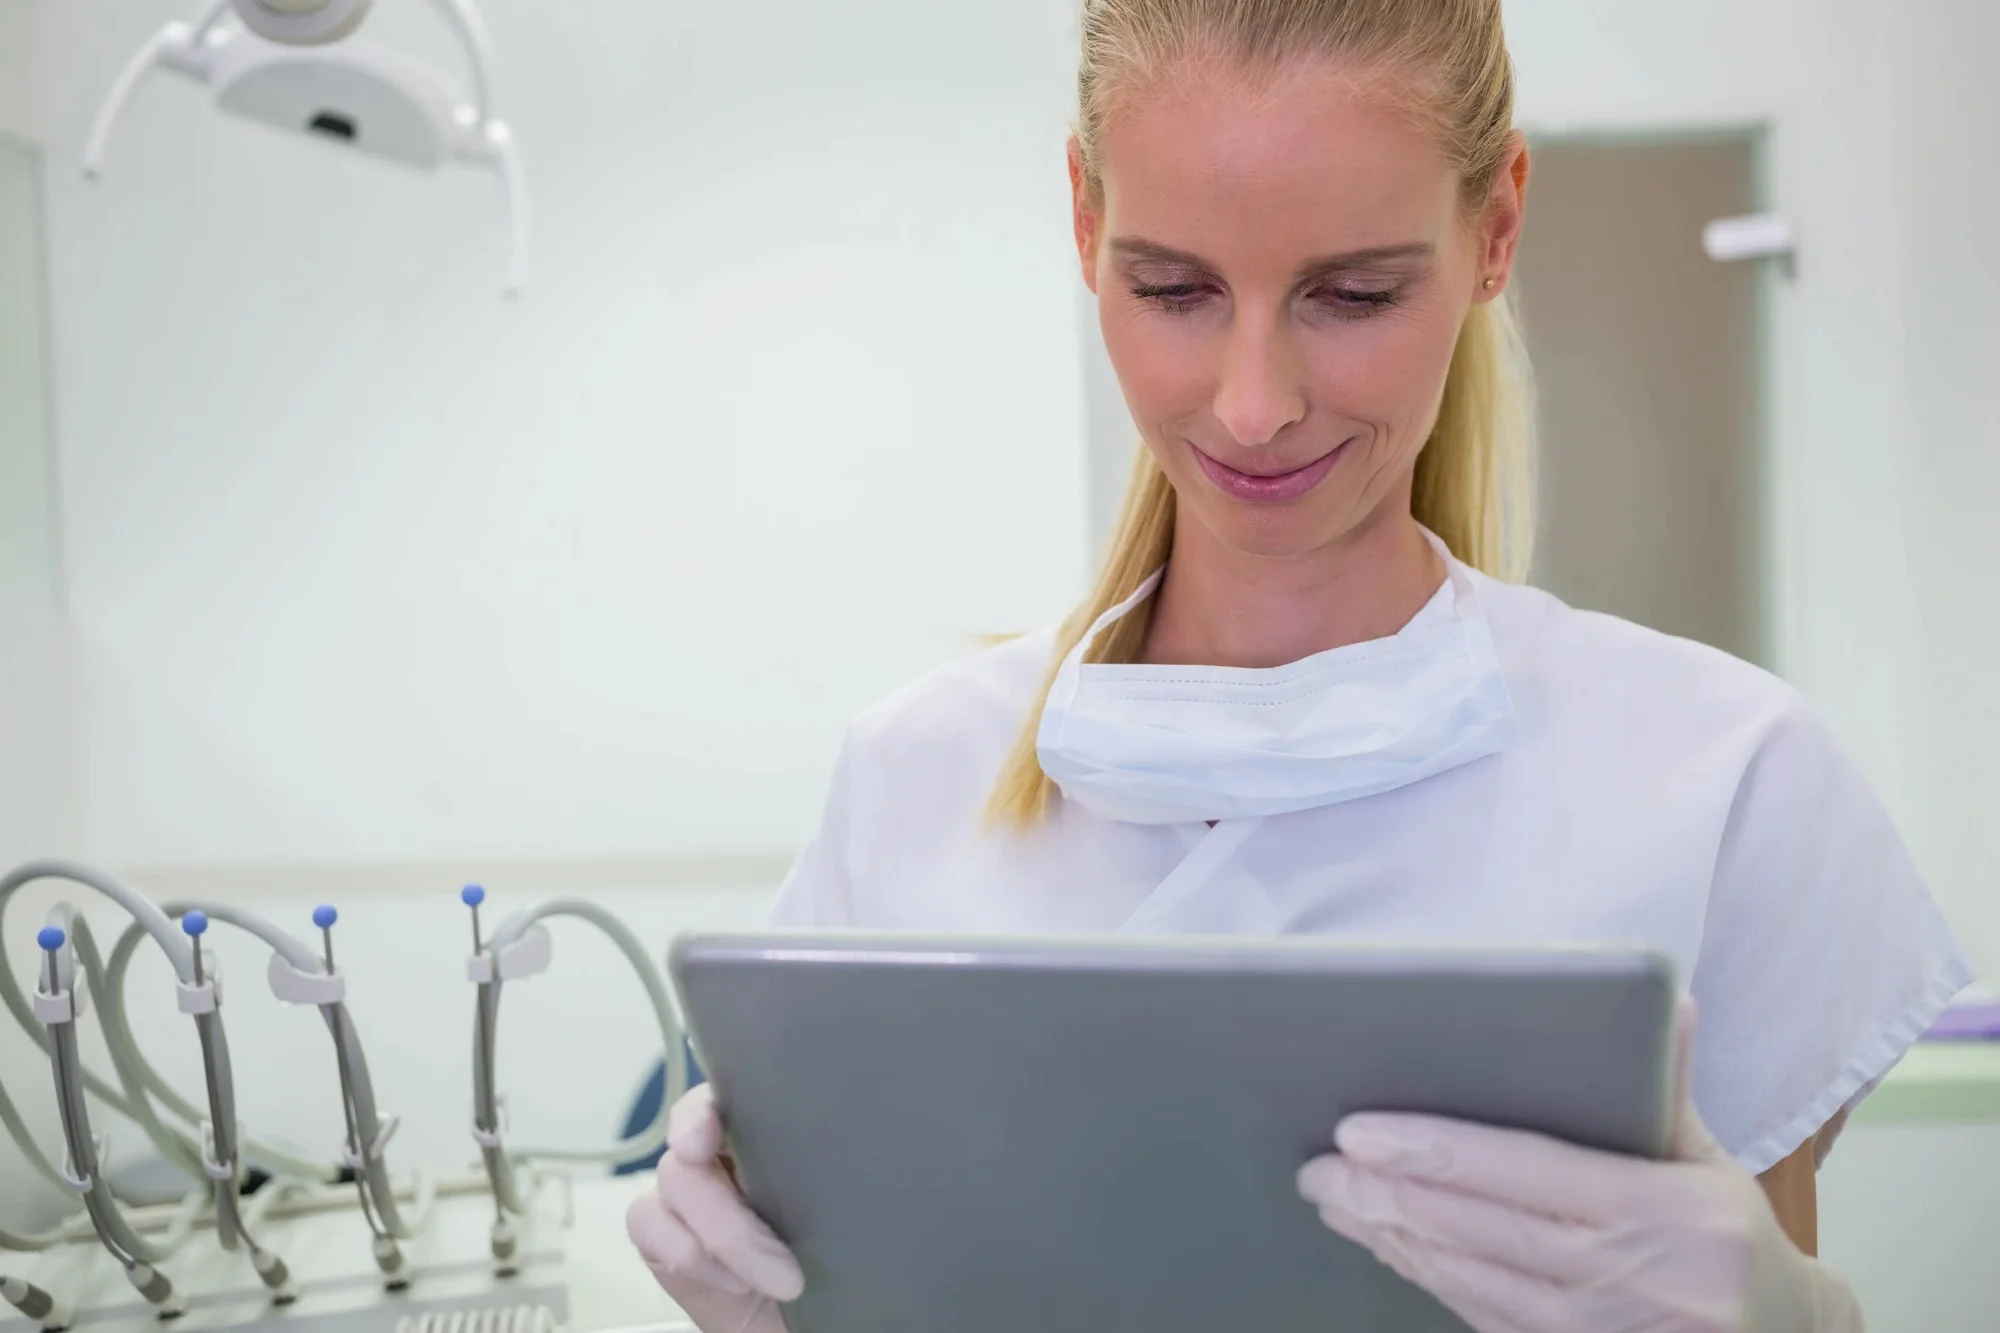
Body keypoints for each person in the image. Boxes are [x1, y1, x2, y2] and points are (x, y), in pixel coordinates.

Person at [625, 1, 1974, 1328]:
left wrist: (1792, 1321)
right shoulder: (915, 778)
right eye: (1173, 289)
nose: (1253, 403)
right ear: (1086, 220)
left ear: (1496, 226)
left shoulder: (1727, 781)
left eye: (1354, 294)